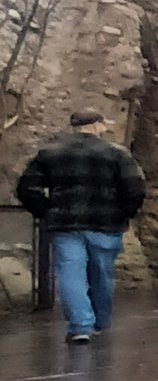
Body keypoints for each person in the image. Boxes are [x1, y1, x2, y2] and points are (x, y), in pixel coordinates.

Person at [12, 110, 147, 344]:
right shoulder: (117, 154)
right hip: (106, 223)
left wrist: (46, 210)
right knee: (102, 274)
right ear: (97, 125)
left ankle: (80, 326)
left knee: (70, 272)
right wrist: (125, 212)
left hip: (65, 223)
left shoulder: (50, 153)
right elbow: (135, 187)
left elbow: (26, 188)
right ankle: (100, 322)